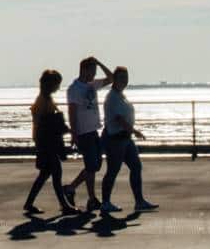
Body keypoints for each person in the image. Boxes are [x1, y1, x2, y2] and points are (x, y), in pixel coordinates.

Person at [99, 66, 157, 212]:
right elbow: (119, 119)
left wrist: (131, 132)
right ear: (115, 79)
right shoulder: (112, 97)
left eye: (126, 77)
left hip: (126, 138)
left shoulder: (121, 95)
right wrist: (135, 131)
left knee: (136, 167)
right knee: (113, 170)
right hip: (115, 139)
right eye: (121, 78)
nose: (124, 80)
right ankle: (105, 202)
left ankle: (139, 201)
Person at [25, 69, 80, 215]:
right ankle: (64, 205)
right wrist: (67, 129)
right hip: (46, 142)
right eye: (57, 84)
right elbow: (48, 123)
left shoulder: (45, 98)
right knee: (56, 172)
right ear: (51, 84)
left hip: (44, 141)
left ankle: (29, 204)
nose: (58, 87)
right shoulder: (44, 100)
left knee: (45, 174)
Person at [63, 56, 112, 211]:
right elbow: (72, 112)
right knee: (91, 166)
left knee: (95, 165)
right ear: (84, 70)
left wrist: (99, 62)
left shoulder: (92, 84)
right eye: (92, 70)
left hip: (94, 130)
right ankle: (91, 198)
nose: (94, 74)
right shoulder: (74, 89)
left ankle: (71, 188)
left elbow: (110, 78)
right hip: (83, 132)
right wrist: (74, 134)